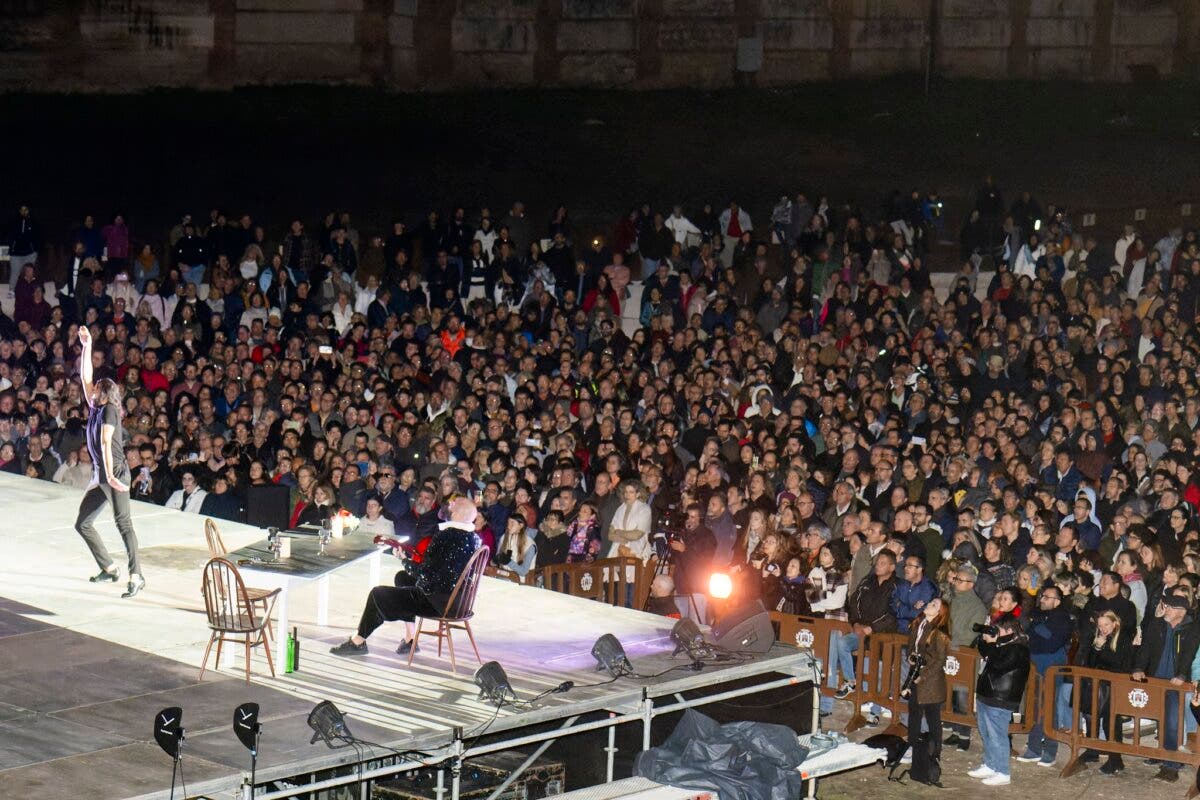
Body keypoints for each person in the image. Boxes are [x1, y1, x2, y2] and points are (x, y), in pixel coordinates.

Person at [331, 496, 484, 657]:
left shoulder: (446, 536)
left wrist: (404, 560)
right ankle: (411, 639)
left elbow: (424, 574)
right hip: (458, 600)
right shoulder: (472, 537)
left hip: (438, 601)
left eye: (453, 503)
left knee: (378, 594)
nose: (449, 503)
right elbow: (439, 569)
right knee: (403, 578)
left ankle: (358, 641)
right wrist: (409, 563)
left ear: (458, 514)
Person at [73, 326, 144, 599]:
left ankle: (136, 575)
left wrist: (109, 476)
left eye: (96, 389)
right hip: (103, 475)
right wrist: (87, 345)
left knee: (123, 523)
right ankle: (109, 567)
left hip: (115, 472)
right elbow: (84, 375)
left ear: (106, 393)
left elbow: (105, 443)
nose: (90, 391)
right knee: (83, 523)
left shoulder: (110, 410)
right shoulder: (95, 408)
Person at [1132, 588, 1199, 781]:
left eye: (1168, 606)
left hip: (1175, 683)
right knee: (1160, 718)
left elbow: (1189, 653)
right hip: (1156, 680)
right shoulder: (1157, 625)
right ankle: (1163, 753)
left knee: (1172, 722)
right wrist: (1138, 667)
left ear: (1181, 611)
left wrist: (1180, 674)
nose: (1165, 609)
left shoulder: (1191, 628)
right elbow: (1145, 649)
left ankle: (1172, 764)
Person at [968, 614, 1030, 786]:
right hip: (986, 695)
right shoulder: (1002, 645)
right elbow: (985, 652)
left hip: (1001, 698)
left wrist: (993, 642)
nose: (995, 632)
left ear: (1010, 630)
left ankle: (1003, 772)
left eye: (998, 629)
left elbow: (998, 664)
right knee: (986, 733)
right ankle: (990, 765)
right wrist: (984, 637)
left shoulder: (1019, 649)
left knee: (997, 736)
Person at [903, 597, 949, 786]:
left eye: (934, 605)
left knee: (932, 718)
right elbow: (911, 647)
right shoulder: (918, 624)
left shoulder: (940, 634)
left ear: (940, 613)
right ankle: (913, 747)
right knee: (914, 712)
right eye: (931, 602)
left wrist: (923, 675)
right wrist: (911, 658)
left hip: (930, 682)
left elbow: (939, 660)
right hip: (916, 676)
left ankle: (934, 753)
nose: (930, 604)